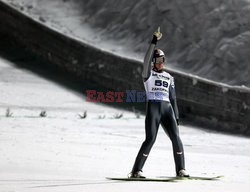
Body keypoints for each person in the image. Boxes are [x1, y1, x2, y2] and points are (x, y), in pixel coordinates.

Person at [129, 27, 189, 178]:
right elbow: (146, 60)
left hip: (167, 108)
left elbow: (173, 98)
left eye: (162, 61)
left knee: (176, 138)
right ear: (153, 62)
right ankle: (137, 170)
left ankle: (181, 169)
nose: (159, 63)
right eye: (156, 61)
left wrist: (176, 115)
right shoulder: (148, 75)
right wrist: (154, 41)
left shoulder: (169, 77)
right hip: (154, 108)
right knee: (150, 139)